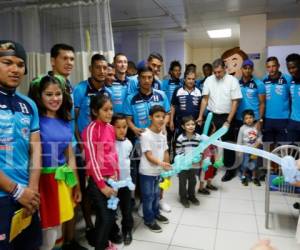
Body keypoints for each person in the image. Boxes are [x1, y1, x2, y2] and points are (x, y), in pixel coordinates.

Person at [28, 74, 81, 250]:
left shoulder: (65, 121)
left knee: (57, 229)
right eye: (49, 94)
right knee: (46, 231)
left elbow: (70, 156)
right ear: (39, 96)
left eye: (58, 94)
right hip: (42, 182)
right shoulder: (34, 122)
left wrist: (76, 185)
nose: (54, 98)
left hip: (61, 181)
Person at [0, 40, 42, 250]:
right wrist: (16, 191)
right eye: (7, 62)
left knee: (31, 245)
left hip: (27, 195)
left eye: (20, 64)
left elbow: (36, 149)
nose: (15, 69)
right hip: (3, 197)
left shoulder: (28, 104)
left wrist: (32, 190)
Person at [50, 43, 87, 250]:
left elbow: (70, 119)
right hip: (56, 156)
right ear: (53, 61)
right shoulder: (46, 85)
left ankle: (71, 240)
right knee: (59, 201)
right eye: (65, 58)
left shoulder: (69, 86)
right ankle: (60, 243)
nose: (69, 63)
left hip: (71, 148)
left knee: (74, 194)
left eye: (72, 59)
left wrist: (78, 143)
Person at [73, 53, 112, 246]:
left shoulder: (107, 91)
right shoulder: (80, 89)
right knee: (87, 189)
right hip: (84, 145)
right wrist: (80, 142)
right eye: (98, 67)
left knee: (99, 187)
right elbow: (73, 118)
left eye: (105, 68)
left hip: (102, 149)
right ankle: (89, 225)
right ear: (91, 69)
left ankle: (102, 228)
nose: (102, 71)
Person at [124, 66, 171, 212]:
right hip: (140, 142)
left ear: (153, 78)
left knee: (162, 169)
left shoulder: (161, 95)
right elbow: (128, 118)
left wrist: (164, 127)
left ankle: (160, 200)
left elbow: (167, 113)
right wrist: (133, 128)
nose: (146, 80)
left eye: (149, 77)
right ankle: (144, 203)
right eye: (143, 77)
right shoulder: (131, 98)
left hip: (159, 140)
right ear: (138, 79)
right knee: (143, 173)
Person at [82, 94, 119, 250]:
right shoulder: (90, 131)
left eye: (111, 109)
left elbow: (113, 153)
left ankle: (103, 243)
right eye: (105, 110)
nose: (109, 113)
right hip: (97, 182)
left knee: (110, 216)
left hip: (111, 179)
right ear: (95, 111)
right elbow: (92, 160)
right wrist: (102, 185)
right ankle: (101, 245)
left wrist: (116, 173)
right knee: (104, 217)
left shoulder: (110, 128)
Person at [197, 58, 242, 182]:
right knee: (210, 144)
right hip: (212, 116)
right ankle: (210, 167)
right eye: (215, 72)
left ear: (225, 69)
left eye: (219, 72)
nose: (217, 74)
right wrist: (201, 116)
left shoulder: (232, 81)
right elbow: (205, 99)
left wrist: (228, 121)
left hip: (227, 116)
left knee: (228, 144)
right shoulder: (209, 80)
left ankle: (230, 169)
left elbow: (235, 102)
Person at [139, 105, 171, 232]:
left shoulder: (163, 134)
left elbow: (166, 151)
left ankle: (156, 213)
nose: (161, 119)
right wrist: (161, 163)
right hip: (147, 172)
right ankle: (149, 219)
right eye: (157, 116)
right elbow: (148, 155)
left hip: (159, 171)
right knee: (148, 197)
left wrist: (167, 166)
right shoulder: (145, 135)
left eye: (163, 117)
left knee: (157, 194)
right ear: (150, 117)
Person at [111, 114, 134, 245]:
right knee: (112, 210)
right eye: (118, 127)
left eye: (124, 127)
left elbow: (129, 163)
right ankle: (114, 231)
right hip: (112, 184)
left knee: (127, 209)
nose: (122, 130)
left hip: (125, 182)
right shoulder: (109, 142)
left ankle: (127, 231)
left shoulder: (129, 143)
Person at [262, 56, 291, 145]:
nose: (271, 69)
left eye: (273, 66)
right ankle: (268, 160)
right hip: (268, 119)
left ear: (278, 66)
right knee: (267, 146)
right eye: (269, 67)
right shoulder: (264, 80)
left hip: (283, 119)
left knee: (283, 147)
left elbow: (293, 98)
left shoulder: (288, 79)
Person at [176, 116, 201, 208]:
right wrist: (185, 159)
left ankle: (192, 196)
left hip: (194, 165)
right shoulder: (180, 138)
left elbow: (200, 150)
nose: (191, 126)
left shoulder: (198, 137)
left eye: (193, 124)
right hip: (183, 165)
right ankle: (183, 197)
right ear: (183, 127)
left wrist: (198, 157)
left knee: (193, 181)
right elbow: (178, 151)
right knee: (182, 181)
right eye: (188, 124)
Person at [170, 69, 202, 135]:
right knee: (181, 142)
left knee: (195, 143)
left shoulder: (199, 91)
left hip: (195, 124)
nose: (191, 81)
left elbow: (202, 106)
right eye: (189, 79)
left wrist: (200, 117)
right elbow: (173, 106)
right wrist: (171, 121)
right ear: (184, 79)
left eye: (193, 79)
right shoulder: (178, 90)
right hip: (180, 124)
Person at [236, 59, 265, 130]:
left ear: (252, 70)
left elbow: (262, 104)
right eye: (245, 68)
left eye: (249, 68)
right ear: (241, 69)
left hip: (254, 119)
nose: (247, 70)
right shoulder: (236, 83)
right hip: (240, 118)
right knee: (239, 140)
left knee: (253, 140)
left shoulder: (259, 84)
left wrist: (260, 120)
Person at [237, 110, 262, 186]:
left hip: (255, 150)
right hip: (246, 150)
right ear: (243, 120)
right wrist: (239, 150)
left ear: (254, 118)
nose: (249, 120)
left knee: (254, 165)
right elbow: (239, 140)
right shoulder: (242, 128)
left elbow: (260, 136)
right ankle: (243, 177)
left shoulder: (256, 127)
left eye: (250, 117)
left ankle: (254, 177)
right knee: (245, 164)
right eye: (246, 118)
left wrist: (258, 142)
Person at [286, 53, 300, 143]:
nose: (291, 71)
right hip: (293, 123)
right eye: (289, 68)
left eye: (294, 67)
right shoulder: (291, 80)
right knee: (291, 152)